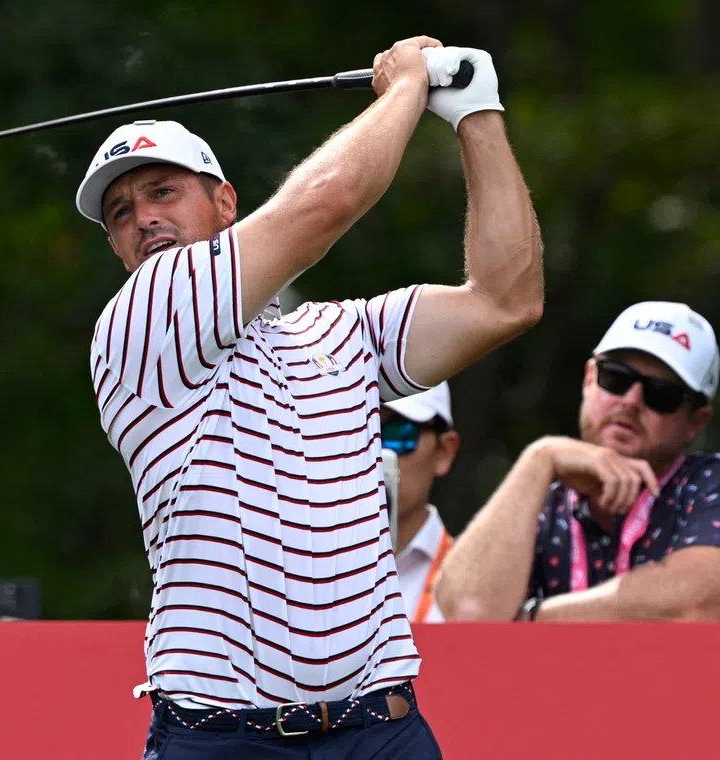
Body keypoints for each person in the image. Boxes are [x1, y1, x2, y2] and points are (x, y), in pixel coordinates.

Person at [79, 37, 542, 759]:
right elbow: (328, 202)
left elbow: (505, 300)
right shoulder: (144, 319)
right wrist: (406, 89)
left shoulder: (339, 331)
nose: (142, 219)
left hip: (379, 730)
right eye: (119, 212)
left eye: (163, 192)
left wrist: (476, 113)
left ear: (224, 202)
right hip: (223, 740)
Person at [435, 301, 720, 623]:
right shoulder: (539, 498)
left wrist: (530, 620)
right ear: (589, 379)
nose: (631, 401)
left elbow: (696, 603)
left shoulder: (709, 483)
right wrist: (539, 458)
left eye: (661, 393)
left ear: (697, 421)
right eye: (615, 378)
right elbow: (466, 614)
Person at [383, 383, 459, 623]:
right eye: (357, 432)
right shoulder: (292, 571)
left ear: (444, 452)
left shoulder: (476, 586)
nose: (373, 451)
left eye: (397, 433)